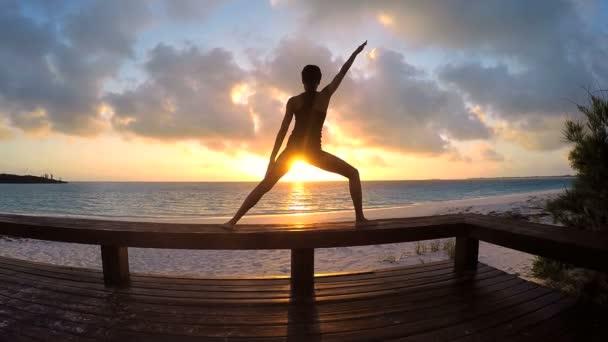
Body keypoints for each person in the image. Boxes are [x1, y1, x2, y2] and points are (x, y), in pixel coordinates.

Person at [223, 41, 369, 228]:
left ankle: (232, 221)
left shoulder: (294, 101)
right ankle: (360, 219)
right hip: (314, 153)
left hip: (292, 152)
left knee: (264, 185)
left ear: (302, 80)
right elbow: (342, 72)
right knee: (353, 173)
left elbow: (282, 131)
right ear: (318, 80)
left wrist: (272, 158)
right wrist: (355, 53)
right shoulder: (324, 96)